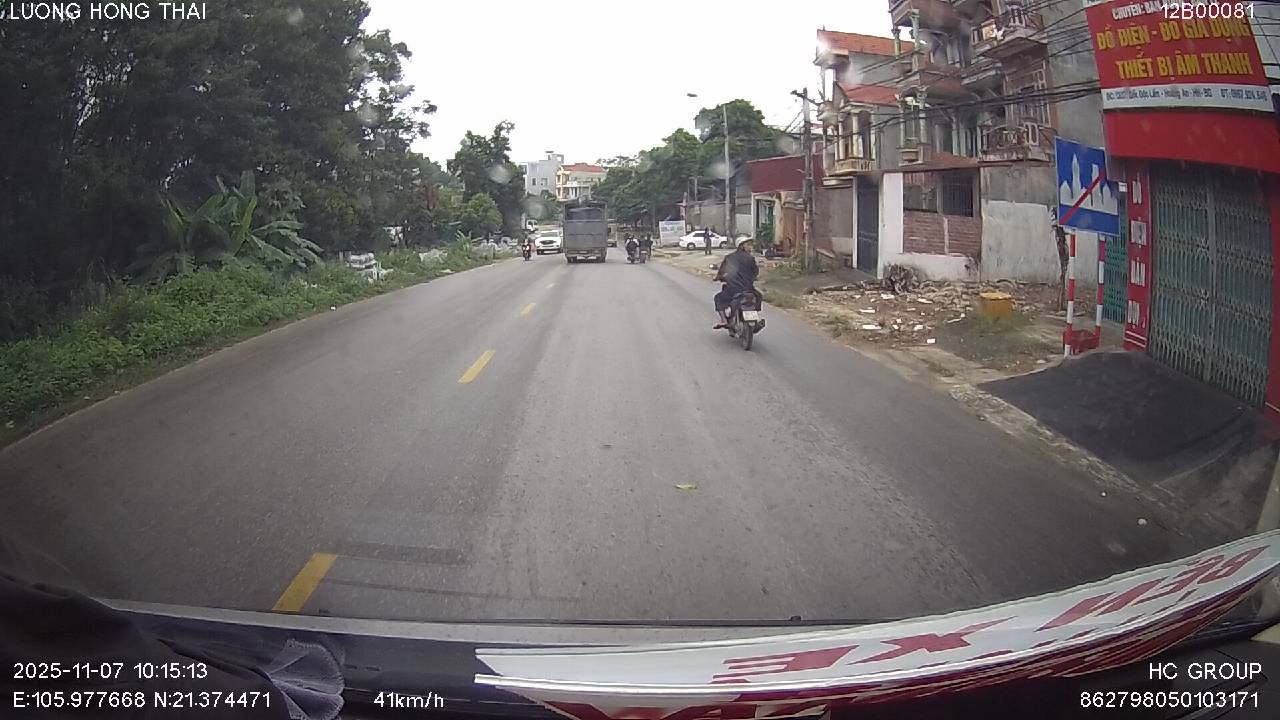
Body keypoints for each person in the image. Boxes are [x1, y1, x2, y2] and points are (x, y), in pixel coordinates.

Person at [713, 237, 759, 329]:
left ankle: (724, 320)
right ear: (741, 246)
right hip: (748, 289)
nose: (750, 247)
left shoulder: (729, 258)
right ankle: (754, 318)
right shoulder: (750, 258)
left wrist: (718, 277)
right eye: (748, 245)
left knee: (718, 298)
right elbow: (755, 272)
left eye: (750, 245)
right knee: (758, 296)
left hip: (733, 290)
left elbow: (722, 272)